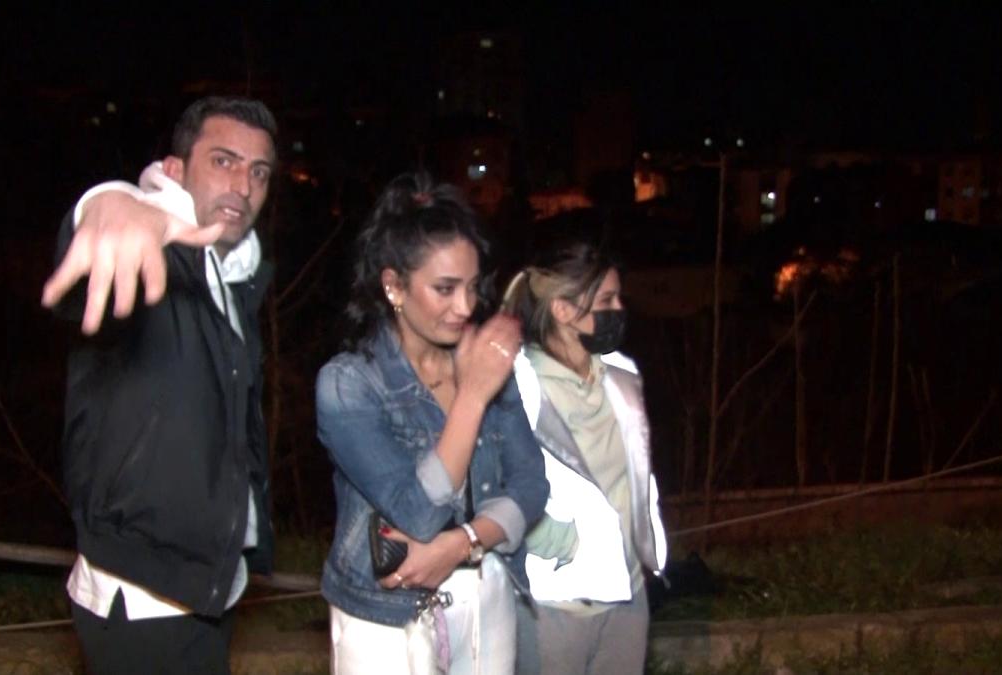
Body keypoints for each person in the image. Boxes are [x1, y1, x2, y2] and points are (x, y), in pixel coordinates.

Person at [40, 96, 278, 674]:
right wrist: (109, 204)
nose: (243, 186)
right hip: (141, 591)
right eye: (223, 161)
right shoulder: (157, 256)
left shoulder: (234, 281)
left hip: (209, 585)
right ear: (174, 169)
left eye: (259, 172)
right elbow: (104, 242)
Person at [315, 172, 548, 674]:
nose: (465, 307)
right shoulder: (349, 383)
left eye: (472, 287)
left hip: (487, 591)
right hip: (385, 612)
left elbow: (531, 484)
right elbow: (417, 513)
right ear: (394, 286)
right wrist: (472, 396)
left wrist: (463, 542)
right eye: (445, 289)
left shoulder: (484, 362)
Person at [501, 237, 667, 675]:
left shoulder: (620, 376)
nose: (619, 309)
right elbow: (493, 485)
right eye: (606, 300)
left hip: (628, 593)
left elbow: (636, 474)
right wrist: (560, 543)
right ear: (562, 309)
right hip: (556, 602)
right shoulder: (518, 387)